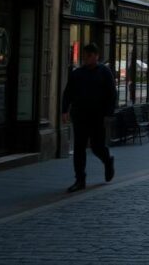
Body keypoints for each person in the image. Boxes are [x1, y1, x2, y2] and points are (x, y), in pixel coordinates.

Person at [61, 43, 116, 193]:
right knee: (79, 148)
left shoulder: (104, 72)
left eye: (89, 55)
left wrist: (109, 114)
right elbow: (68, 92)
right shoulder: (77, 73)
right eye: (84, 56)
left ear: (96, 56)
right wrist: (64, 110)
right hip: (80, 116)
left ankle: (107, 160)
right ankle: (80, 179)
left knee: (97, 146)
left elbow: (112, 94)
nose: (86, 58)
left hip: (97, 116)